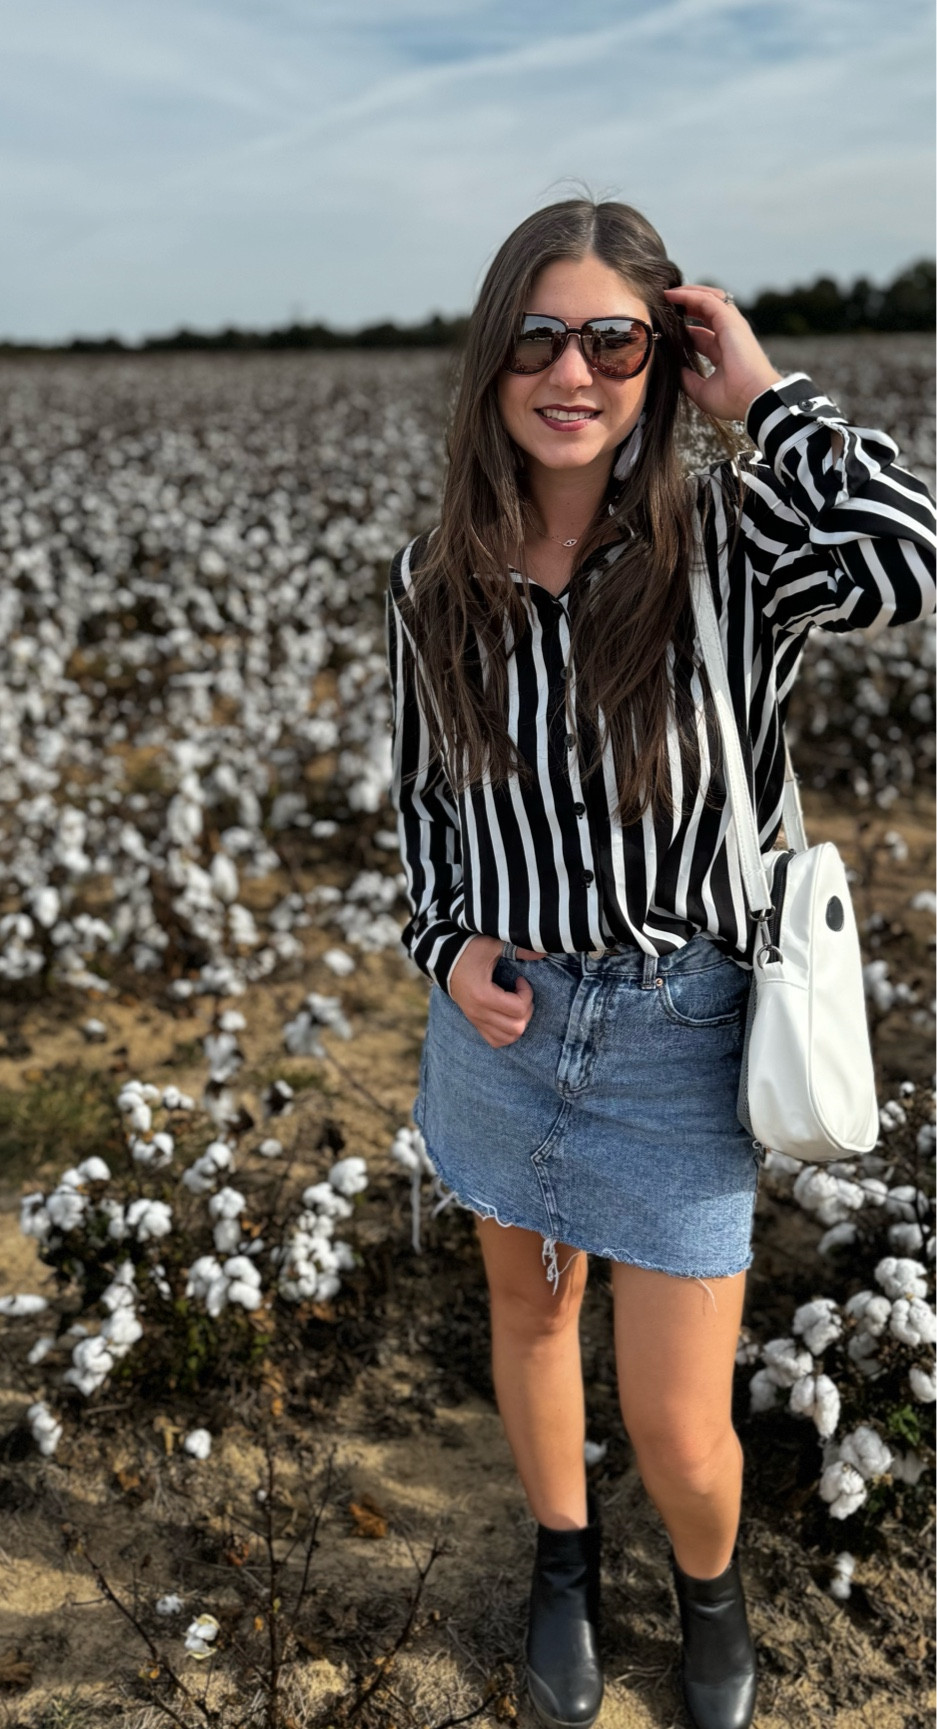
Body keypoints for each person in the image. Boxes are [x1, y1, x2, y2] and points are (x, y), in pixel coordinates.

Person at [384, 197, 936, 1729]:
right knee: (531, 1316)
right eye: (537, 336)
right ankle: (562, 1559)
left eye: (612, 339)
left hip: (678, 1030)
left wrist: (763, 397)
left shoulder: (733, 546)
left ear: (660, 355)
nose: (571, 370)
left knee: (686, 1429)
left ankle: (708, 1589)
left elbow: (909, 562)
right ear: (492, 359)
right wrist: (447, 944)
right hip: (500, 1033)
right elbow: (424, 805)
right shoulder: (436, 571)